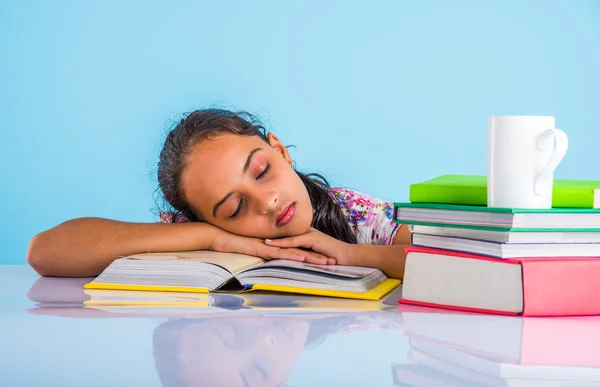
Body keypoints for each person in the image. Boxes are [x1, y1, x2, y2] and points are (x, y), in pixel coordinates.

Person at [27, 108, 412, 278]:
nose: (267, 202)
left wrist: (351, 253)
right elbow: (45, 251)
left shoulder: (355, 213)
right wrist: (211, 238)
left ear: (280, 150)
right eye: (233, 208)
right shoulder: (204, 235)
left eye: (262, 172)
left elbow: (452, 261)